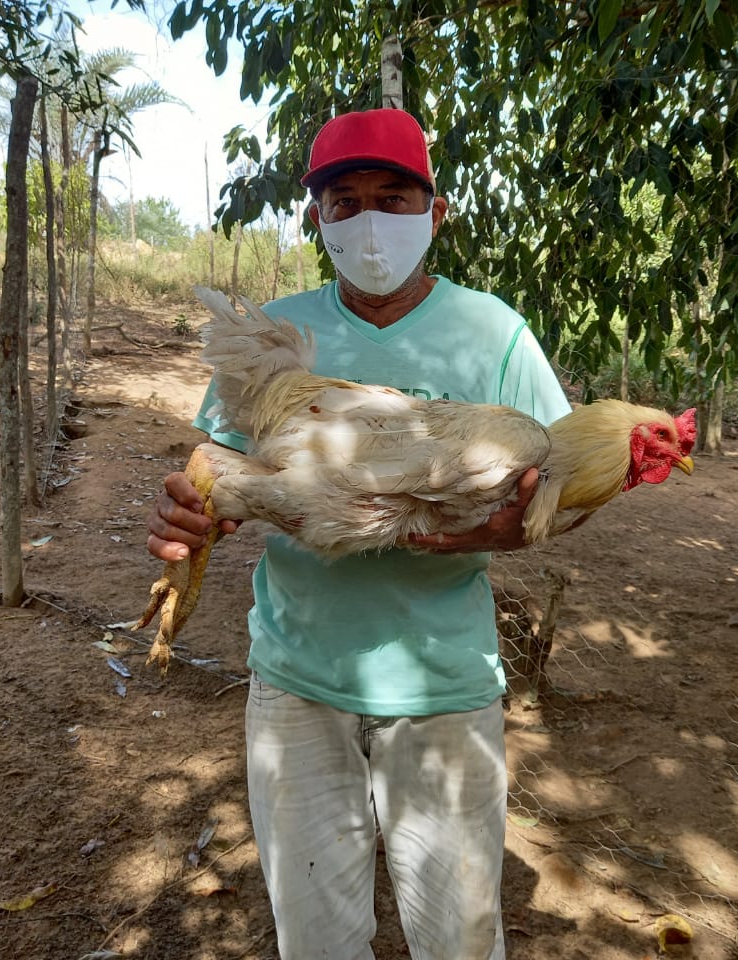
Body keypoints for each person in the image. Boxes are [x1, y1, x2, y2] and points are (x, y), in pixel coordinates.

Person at [146, 108, 571, 960]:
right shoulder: (275, 334)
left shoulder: (495, 332)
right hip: (298, 678)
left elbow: (563, 487)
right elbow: (221, 471)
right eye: (346, 202)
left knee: (459, 939)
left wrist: (501, 532)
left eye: (392, 197)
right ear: (319, 218)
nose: (370, 219)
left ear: (435, 212)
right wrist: (192, 514)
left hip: (444, 684)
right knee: (315, 940)